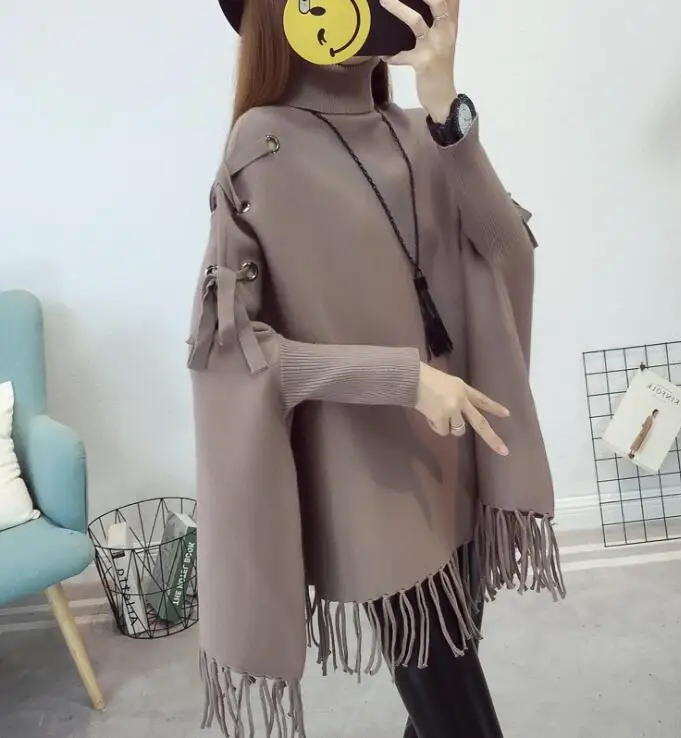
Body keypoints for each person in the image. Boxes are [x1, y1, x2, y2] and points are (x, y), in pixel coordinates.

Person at [188, 1, 565, 736]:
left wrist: (445, 107)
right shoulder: (263, 145)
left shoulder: (419, 133)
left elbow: (507, 252)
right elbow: (232, 351)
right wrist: (404, 379)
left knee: (441, 712)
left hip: (460, 465)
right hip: (372, 488)